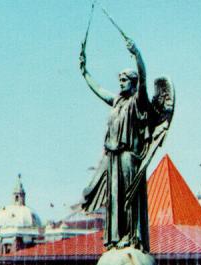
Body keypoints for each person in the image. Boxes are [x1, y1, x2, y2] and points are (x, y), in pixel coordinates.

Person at [79, 30, 153, 252]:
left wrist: (137, 54)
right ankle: (116, 237)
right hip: (113, 157)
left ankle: (132, 237)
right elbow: (99, 91)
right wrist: (85, 73)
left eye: (124, 80)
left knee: (129, 198)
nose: (120, 83)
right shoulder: (117, 102)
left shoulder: (138, 101)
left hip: (129, 155)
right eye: (119, 80)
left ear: (133, 82)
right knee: (115, 199)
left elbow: (144, 77)